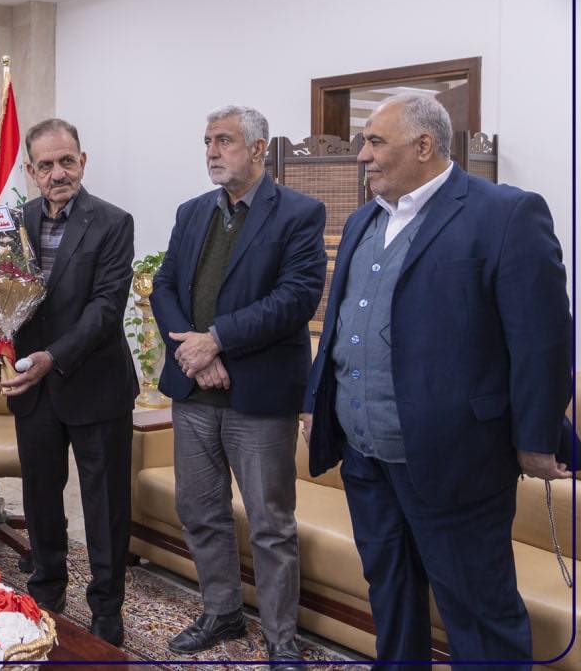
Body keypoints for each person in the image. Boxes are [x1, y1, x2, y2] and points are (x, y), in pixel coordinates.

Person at [304, 94, 571, 667]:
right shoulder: (362, 219)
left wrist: (537, 437)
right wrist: (316, 403)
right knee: (391, 596)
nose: (361, 156)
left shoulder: (505, 214)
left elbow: (543, 340)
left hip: (458, 460)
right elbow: (341, 324)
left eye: (374, 142)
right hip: (365, 458)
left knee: (478, 612)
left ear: (423, 145)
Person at [151, 105, 325, 668]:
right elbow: (164, 286)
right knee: (201, 511)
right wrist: (196, 354)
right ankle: (222, 612)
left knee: (270, 524)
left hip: (260, 397)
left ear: (258, 147)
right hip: (195, 392)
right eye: (207, 141)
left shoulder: (299, 212)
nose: (212, 152)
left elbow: (296, 298)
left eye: (224, 140)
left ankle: (280, 638)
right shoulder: (193, 212)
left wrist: (218, 340)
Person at [0, 118, 138, 648]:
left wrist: (52, 357)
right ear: (31, 171)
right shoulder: (13, 223)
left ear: (83, 160)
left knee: (105, 504)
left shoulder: (113, 222)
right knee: (40, 495)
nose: (59, 173)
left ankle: (106, 608)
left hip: (95, 383)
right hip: (33, 389)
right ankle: (46, 589)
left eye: (67, 161)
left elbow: (105, 308)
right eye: (47, 165)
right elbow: (1, 292)